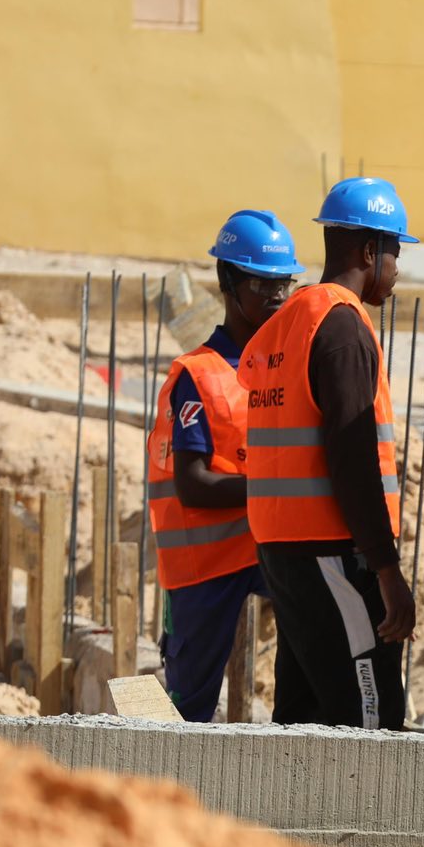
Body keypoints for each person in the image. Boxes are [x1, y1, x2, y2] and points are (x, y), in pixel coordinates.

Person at [242, 177, 417, 729]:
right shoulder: (341, 327)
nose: (396, 267)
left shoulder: (286, 321)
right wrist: (387, 570)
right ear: (370, 251)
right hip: (333, 554)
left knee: (303, 715)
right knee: (369, 721)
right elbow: (353, 456)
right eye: (394, 251)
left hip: (283, 549)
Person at [146, 209, 301, 722]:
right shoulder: (199, 376)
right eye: (263, 284)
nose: (278, 298)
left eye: (286, 284)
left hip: (265, 547)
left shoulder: (285, 371)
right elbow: (192, 485)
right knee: (187, 707)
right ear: (228, 282)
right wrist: (274, 487)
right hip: (204, 565)